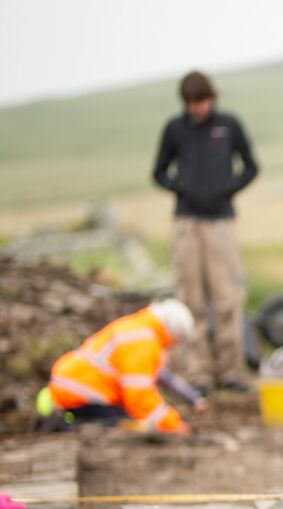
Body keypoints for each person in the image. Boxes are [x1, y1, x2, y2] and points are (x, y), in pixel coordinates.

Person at [152, 70, 259, 392]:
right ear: (184, 103)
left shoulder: (228, 125)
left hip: (221, 222)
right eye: (192, 103)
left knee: (226, 296)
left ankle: (229, 370)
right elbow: (158, 172)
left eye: (202, 101)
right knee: (191, 298)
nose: (198, 108)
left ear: (212, 97)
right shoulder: (175, 129)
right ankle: (197, 372)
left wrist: (228, 189)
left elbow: (251, 166)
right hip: (187, 223)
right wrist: (179, 189)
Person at [46, 299, 203, 435]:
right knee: (131, 426)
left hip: (72, 386)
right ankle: (74, 429)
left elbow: (159, 379)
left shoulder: (140, 328)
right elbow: (140, 397)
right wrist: (172, 425)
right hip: (81, 391)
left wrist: (191, 398)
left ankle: (74, 425)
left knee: (132, 421)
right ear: (173, 332)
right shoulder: (143, 341)